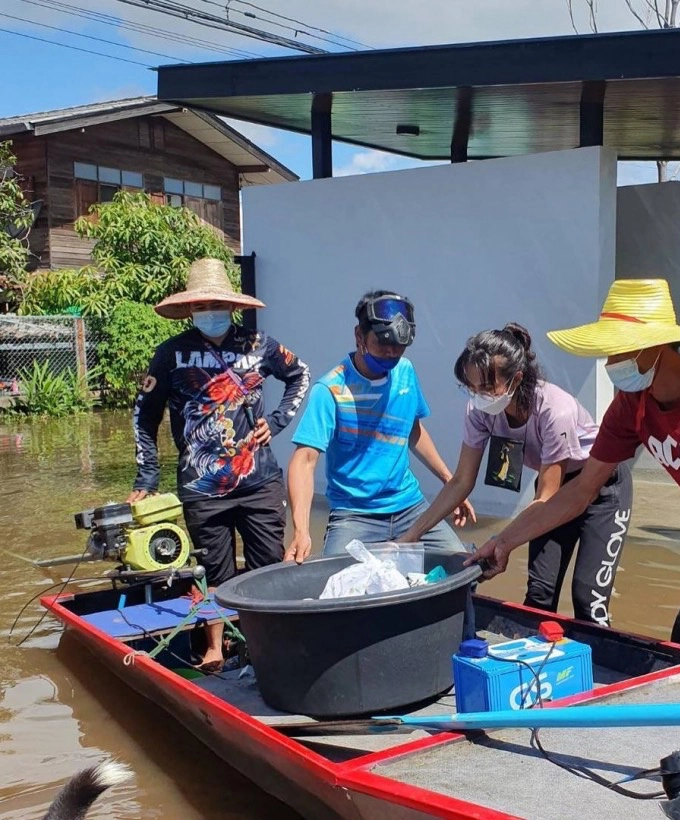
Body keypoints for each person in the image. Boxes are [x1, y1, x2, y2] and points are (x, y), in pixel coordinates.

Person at [468, 278, 680, 681]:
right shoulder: (630, 407)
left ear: (653, 346)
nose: (609, 364)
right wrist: (504, 541)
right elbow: (579, 492)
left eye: (617, 350)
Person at [128, 258, 310, 672]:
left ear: (231, 306)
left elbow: (300, 374)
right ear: (191, 310)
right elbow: (144, 415)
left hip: (260, 481)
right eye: (201, 306)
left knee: (270, 566)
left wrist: (277, 421)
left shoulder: (259, 345)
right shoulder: (170, 355)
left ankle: (270, 642)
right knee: (211, 569)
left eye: (216, 304)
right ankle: (214, 645)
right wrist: (147, 476)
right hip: (201, 486)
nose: (210, 312)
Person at [400, 323, 633, 625]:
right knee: (539, 594)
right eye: (470, 387)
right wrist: (411, 536)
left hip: (602, 488)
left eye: (486, 388)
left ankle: (602, 667)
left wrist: (502, 541)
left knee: (589, 599)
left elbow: (546, 500)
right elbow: (461, 481)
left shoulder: (554, 410)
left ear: (516, 379)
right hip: (554, 487)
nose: (478, 396)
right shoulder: (480, 412)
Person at [285, 289, 474, 562]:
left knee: (461, 567)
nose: (391, 353)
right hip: (354, 513)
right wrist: (301, 530)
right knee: (336, 588)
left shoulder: (405, 372)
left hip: (410, 506)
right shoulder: (330, 389)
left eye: (399, 346)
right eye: (383, 343)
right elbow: (304, 459)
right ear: (359, 336)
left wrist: (449, 483)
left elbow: (412, 431)